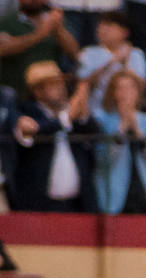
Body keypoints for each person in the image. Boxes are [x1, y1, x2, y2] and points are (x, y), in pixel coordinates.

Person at [12, 61, 97, 212]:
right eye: (53, 85)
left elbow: (94, 131)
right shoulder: (25, 111)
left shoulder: (71, 114)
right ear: (38, 91)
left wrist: (81, 111)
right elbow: (37, 130)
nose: (61, 89)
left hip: (77, 204)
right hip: (39, 205)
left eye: (61, 84)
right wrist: (67, 117)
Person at [92, 68, 146, 214]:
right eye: (121, 88)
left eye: (130, 88)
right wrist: (121, 130)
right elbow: (103, 160)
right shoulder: (102, 120)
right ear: (114, 93)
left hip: (144, 193)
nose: (126, 93)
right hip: (115, 197)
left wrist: (138, 133)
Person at [0, 0, 80, 96]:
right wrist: (41, 34)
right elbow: (4, 49)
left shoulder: (54, 21)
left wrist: (59, 29)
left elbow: (75, 53)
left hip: (51, 92)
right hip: (17, 93)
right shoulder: (7, 23)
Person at [77, 11, 146, 114]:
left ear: (124, 32)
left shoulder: (136, 54)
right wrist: (111, 62)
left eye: (109, 26)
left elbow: (143, 87)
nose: (102, 30)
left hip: (127, 112)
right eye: (100, 25)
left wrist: (125, 64)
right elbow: (84, 84)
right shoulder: (89, 52)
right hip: (96, 111)